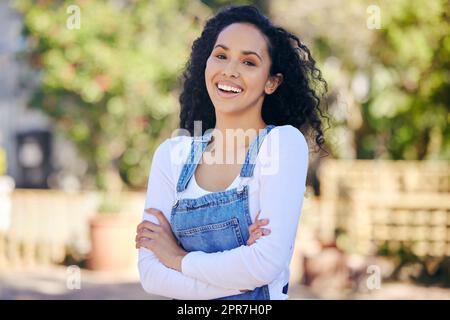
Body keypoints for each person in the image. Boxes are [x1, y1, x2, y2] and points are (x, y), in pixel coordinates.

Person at [135, 4, 327, 300]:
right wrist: (238, 273)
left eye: (249, 62)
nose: (230, 70)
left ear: (271, 82)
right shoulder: (172, 154)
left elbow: (264, 263)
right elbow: (150, 275)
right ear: (206, 64)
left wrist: (176, 259)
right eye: (221, 56)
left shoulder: (281, 145)